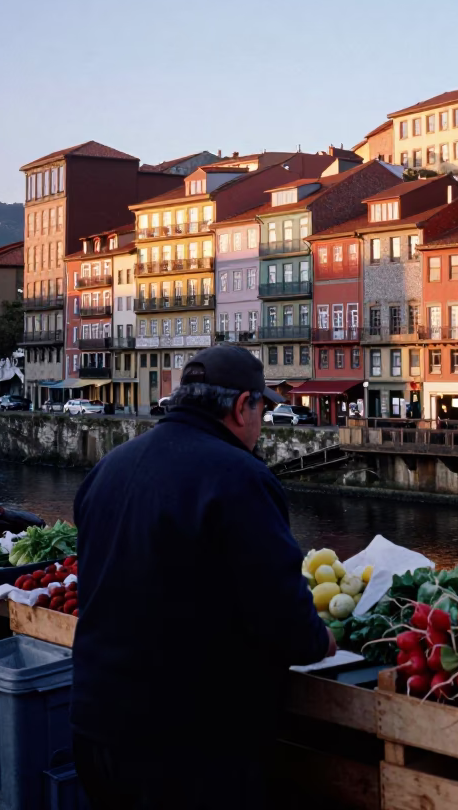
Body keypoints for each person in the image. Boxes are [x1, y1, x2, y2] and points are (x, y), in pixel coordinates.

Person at [71, 346, 333, 809]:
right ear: (242, 406)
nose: (261, 423)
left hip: (96, 724)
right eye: (262, 409)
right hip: (188, 744)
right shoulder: (239, 477)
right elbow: (280, 614)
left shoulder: (110, 466)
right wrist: (320, 639)